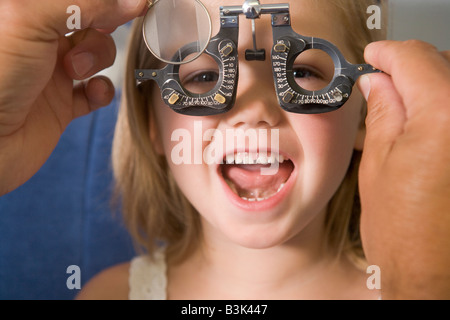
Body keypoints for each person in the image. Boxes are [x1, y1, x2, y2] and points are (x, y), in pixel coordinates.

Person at [0, 0, 448, 300]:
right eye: (202, 77)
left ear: (370, 113)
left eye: (304, 72)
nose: (252, 109)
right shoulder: (112, 296)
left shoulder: (416, 285)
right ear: (151, 124)